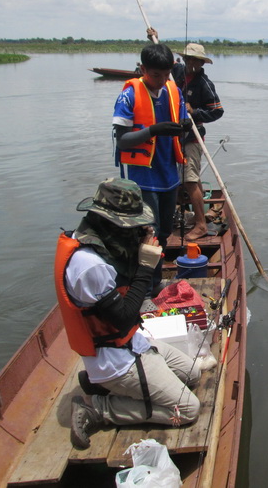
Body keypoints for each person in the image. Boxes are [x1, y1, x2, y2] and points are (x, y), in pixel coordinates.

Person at [55, 178, 201, 449]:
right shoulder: (89, 265)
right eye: (131, 226)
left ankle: (96, 385)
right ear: (111, 220)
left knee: (192, 373)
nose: (137, 231)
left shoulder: (99, 239)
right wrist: (146, 267)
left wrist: (142, 250)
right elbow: (122, 317)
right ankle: (98, 408)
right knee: (189, 409)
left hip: (133, 343)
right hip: (115, 359)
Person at [113, 42, 190, 285]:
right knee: (149, 234)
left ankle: (155, 283)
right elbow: (123, 141)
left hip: (169, 174)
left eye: (166, 74)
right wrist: (153, 130)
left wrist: (188, 128)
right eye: (156, 75)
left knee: (165, 232)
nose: (161, 79)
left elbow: (183, 129)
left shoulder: (173, 91)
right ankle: (144, 290)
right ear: (143, 69)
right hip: (143, 178)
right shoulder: (129, 95)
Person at [178, 41, 224, 241]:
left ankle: (200, 225)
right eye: (188, 59)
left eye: (195, 60)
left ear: (201, 63)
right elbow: (160, 60)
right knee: (187, 179)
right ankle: (188, 216)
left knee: (190, 180)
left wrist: (194, 111)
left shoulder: (204, 83)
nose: (191, 63)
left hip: (193, 137)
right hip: (175, 135)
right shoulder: (176, 72)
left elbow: (217, 111)